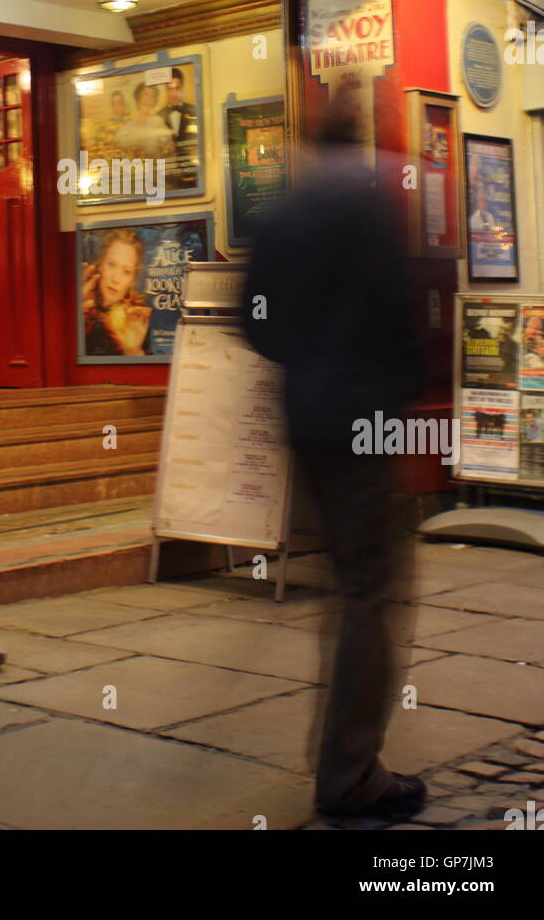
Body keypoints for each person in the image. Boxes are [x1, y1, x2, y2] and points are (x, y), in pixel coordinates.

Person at [241, 85, 426, 822]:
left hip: (306, 415)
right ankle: (351, 774)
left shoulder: (284, 207)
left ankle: (346, 763)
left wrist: (305, 367)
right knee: (371, 591)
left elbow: (253, 319)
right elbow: (397, 313)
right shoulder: (372, 200)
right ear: (365, 133)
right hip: (365, 418)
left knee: (346, 583)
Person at [82, 228, 152, 356]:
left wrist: (134, 351)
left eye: (126, 272)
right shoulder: (82, 304)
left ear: (132, 280)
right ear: (101, 265)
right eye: (111, 265)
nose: (116, 279)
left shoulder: (135, 321)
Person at [159, 67, 198, 188]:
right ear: (165, 91)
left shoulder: (196, 112)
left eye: (177, 88)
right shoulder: (158, 117)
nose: (173, 93)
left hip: (194, 177)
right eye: (170, 89)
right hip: (167, 180)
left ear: (182, 88)